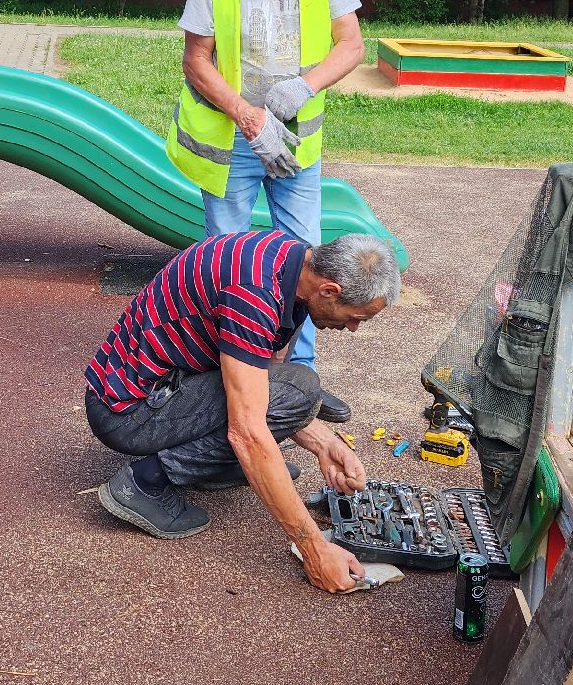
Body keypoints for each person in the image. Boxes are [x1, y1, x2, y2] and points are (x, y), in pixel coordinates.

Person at [84, 230, 401, 593]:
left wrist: (325, 445)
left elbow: (265, 383)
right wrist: (315, 549)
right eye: (354, 316)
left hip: (160, 384)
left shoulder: (292, 264)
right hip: (128, 411)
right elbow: (248, 430)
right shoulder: (253, 295)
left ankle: (209, 463)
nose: (353, 328)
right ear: (329, 290)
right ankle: (146, 481)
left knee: (294, 391)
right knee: (300, 390)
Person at [166, 0, 368, 424]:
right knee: (229, 261)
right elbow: (196, 62)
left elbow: (351, 45)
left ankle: (297, 382)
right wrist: (249, 117)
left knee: (306, 257)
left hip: (296, 143)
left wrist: (304, 85)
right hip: (232, 143)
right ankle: (231, 383)